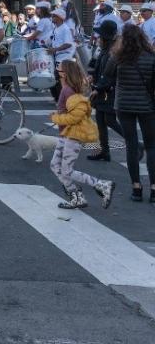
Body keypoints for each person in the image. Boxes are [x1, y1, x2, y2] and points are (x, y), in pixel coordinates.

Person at [50, 59, 115, 210]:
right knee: (55, 166)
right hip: (65, 134)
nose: (56, 72)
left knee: (66, 170)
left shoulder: (69, 90)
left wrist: (55, 117)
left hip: (73, 136)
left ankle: (101, 185)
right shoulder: (66, 88)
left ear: (65, 74)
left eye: (58, 70)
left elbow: (75, 116)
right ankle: (76, 196)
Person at [103, 25, 155, 203]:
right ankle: (154, 189)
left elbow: (107, 76)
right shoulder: (151, 57)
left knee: (131, 145)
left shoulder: (117, 58)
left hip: (124, 106)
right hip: (147, 106)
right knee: (151, 146)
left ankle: (136, 188)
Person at [88, 20, 125, 162]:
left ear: (105, 38)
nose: (97, 38)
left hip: (108, 91)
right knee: (100, 120)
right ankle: (105, 151)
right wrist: (91, 75)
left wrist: (98, 88)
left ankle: (135, 143)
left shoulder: (112, 52)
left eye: (100, 36)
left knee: (109, 120)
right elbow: (95, 65)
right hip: (101, 88)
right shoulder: (103, 50)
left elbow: (109, 76)